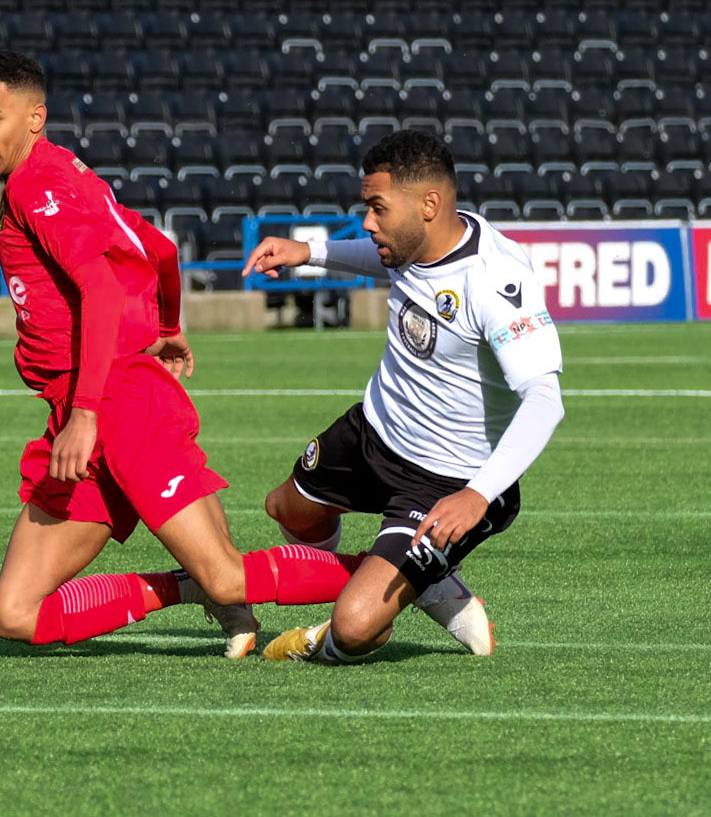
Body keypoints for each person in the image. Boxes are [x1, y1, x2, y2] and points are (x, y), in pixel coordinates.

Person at [0, 50, 365, 658]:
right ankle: (183, 587)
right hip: (81, 410)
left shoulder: (35, 184)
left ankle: (403, 571)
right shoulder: (69, 173)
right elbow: (160, 249)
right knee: (15, 615)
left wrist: (88, 412)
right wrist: (169, 325)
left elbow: (98, 286)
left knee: (227, 574)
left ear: (34, 117)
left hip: (114, 403)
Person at [241, 130, 565, 664]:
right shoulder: (412, 242)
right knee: (287, 509)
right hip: (373, 432)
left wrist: (478, 494)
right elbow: (384, 260)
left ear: (429, 205)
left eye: (377, 208)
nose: (368, 222)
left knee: (354, 627)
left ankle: (358, 610)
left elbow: (545, 399)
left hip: (446, 481)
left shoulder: (496, 279)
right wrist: (309, 252)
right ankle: (425, 582)